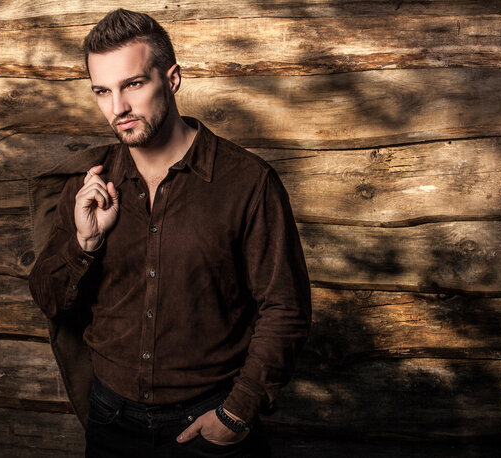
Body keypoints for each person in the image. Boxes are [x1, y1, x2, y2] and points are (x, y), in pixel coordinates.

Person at [28, 8, 311, 458]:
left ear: (172, 79)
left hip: (207, 423)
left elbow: (285, 307)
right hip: (110, 420)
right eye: (102, 91)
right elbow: (49, 300)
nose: (117, 108)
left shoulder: (247, 182)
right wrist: (85, 245)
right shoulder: (87, 188)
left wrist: (236, 414)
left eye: (133, 84)